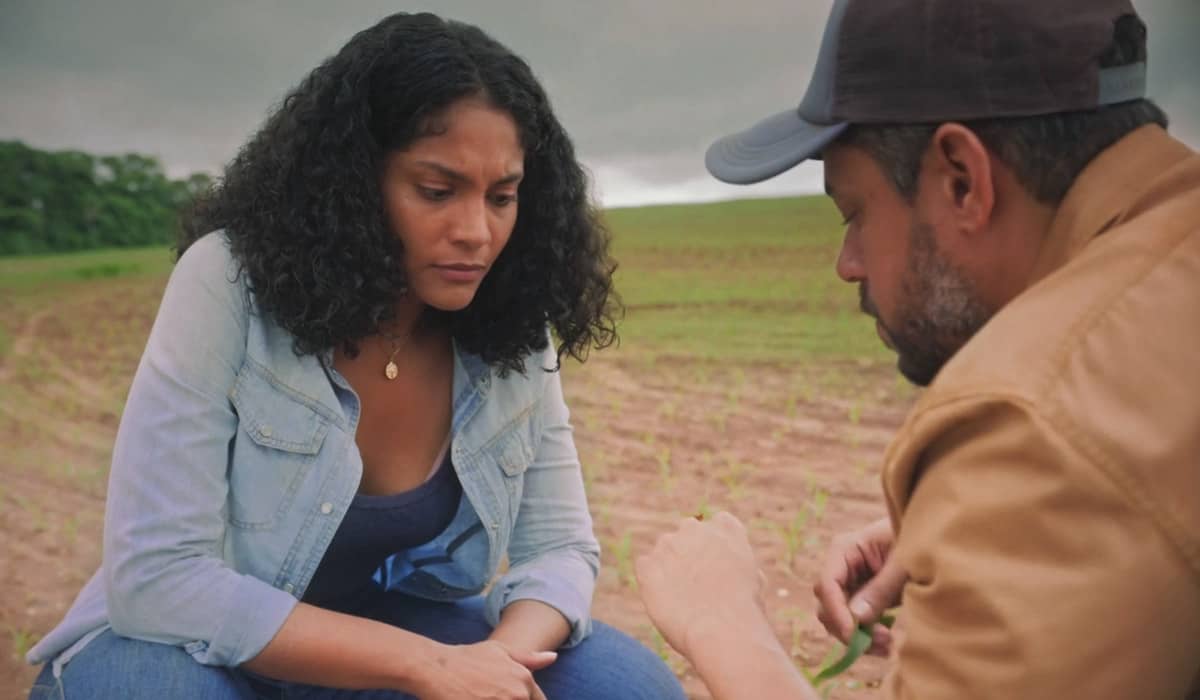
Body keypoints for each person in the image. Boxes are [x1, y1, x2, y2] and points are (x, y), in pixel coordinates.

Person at [26, 12, 686, 700]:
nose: (476, 232)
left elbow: (561, 551)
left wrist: (496, 666)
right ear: (351, 183)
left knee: (627, 686)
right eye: (437, 191)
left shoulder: (510, 322)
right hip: (190, 647)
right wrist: (426, 666)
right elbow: (158, 580)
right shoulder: (225, 281)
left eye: (502, 197)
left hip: (382, 633)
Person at [635, 0, 1200, 698]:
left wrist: (722, 626)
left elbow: (1075, 435)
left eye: (855, 211)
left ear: (962, 178)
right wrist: (997, 528)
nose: (847, 263)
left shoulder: (1034, 417)